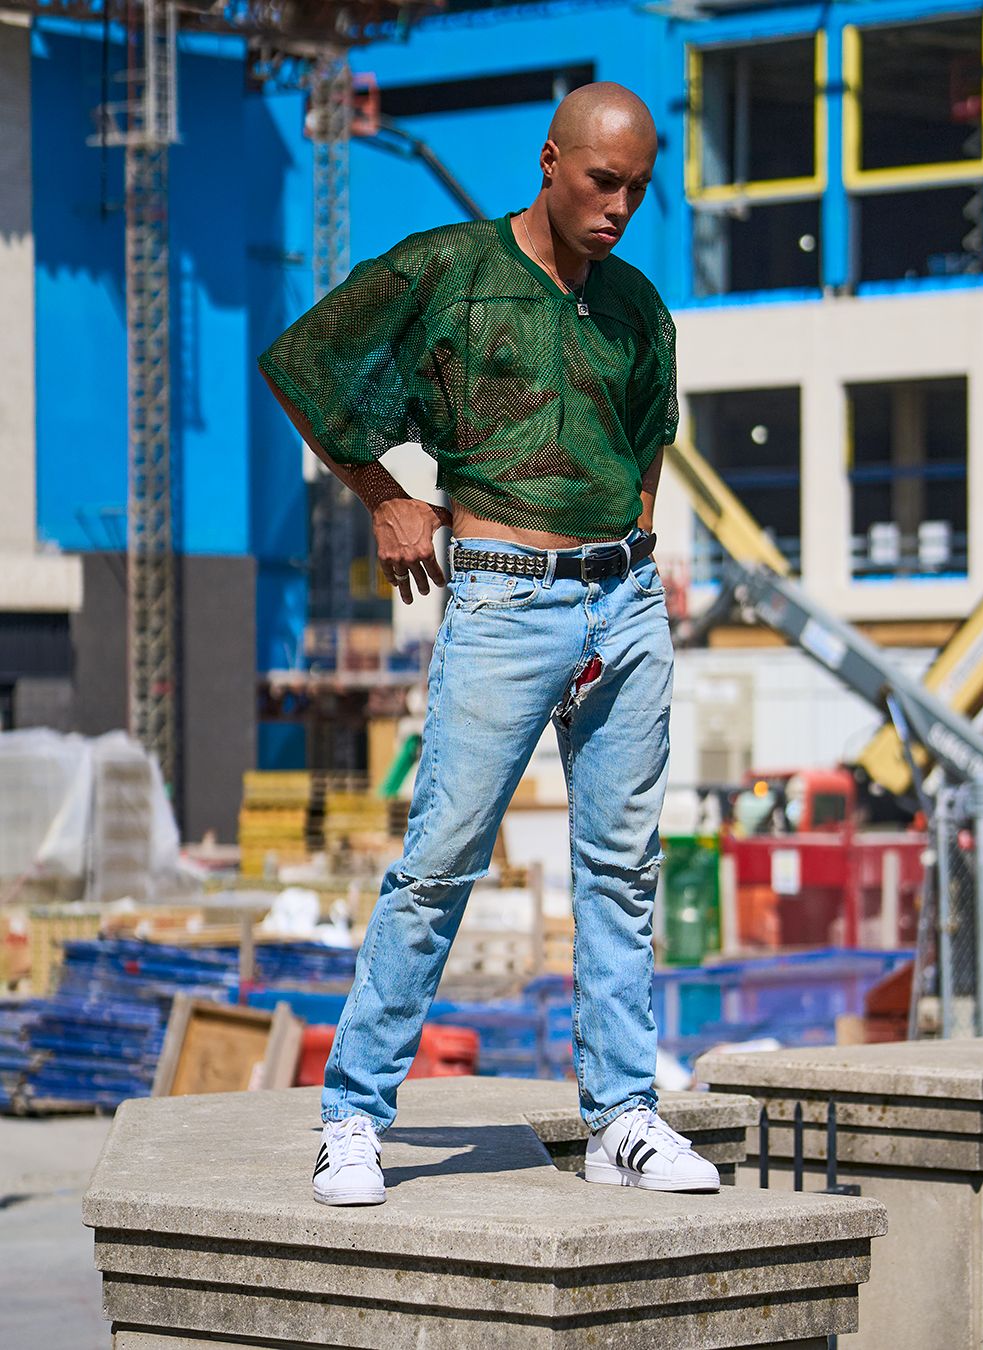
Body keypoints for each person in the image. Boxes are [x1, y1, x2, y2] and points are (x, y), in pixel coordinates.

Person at [259, 82, 720, 1204]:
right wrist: (385, 495)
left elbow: (645, 439)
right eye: (602, 182)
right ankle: (354, 1116)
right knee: (440, 862)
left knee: (621, 871)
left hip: (623, 602)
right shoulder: (445, 271)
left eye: (638, 189)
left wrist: (639, 558)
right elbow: (308, 366)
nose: (619, 207)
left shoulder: (637, 307)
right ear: (552, 162)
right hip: (505, 601)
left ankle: (622, 1117)